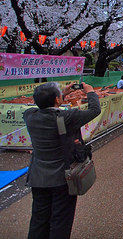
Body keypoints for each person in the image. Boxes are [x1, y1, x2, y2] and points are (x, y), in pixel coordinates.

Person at [23, 82, 101, 239]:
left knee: (39, 219)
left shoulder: (30, 116)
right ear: (57, 100)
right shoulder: (67, 117)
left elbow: (39, 105)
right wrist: (90, 92)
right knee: (60, 220)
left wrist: (61, 95)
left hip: (38, 178)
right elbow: (95, 110)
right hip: (63, 178)